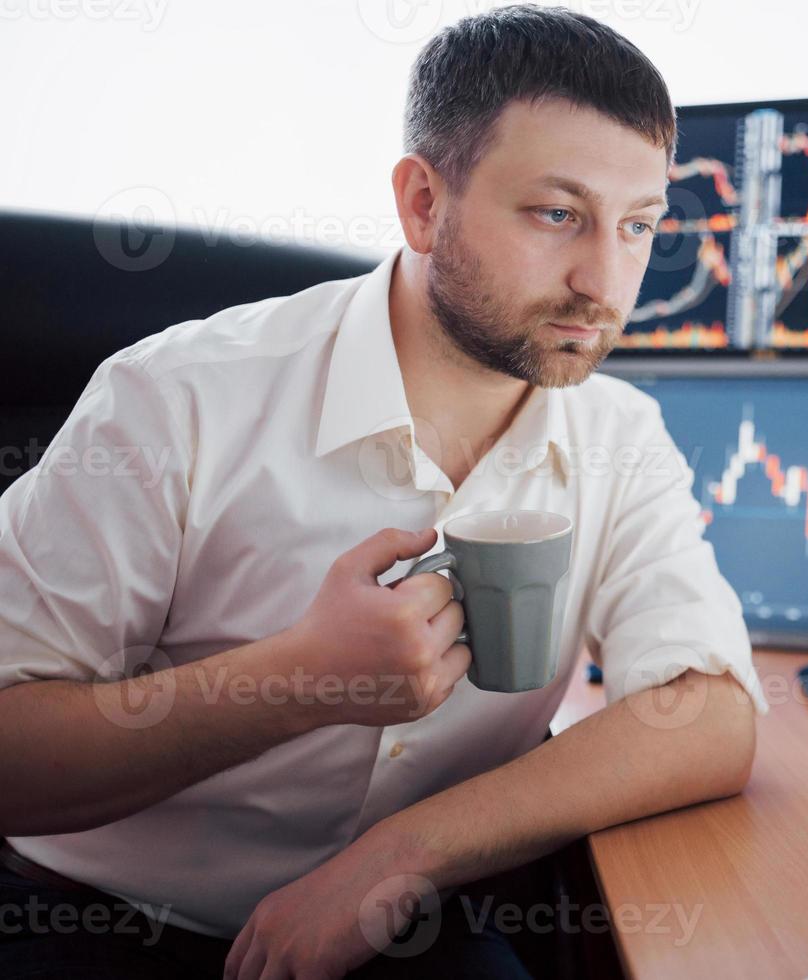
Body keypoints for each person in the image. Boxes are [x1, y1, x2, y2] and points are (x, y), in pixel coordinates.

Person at [0, 6, 768, 978]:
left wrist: (404, 855)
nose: (604, 281)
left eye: (639, 226)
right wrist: (301, 681)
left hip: (399, 914)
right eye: (557, 213)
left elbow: (710, 710)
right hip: (99, 919)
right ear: (421, 204)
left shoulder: (621, 433)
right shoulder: (173, 398)